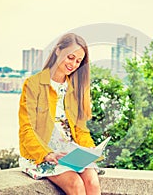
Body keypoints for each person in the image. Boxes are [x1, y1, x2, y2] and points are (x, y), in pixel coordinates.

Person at [18, 33, 101, 195]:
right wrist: (47, 153)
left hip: (71, 153)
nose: (74, 64)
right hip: (42, 154)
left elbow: (80, 129)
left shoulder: (75, 88)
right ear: (58, 51)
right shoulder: (33, 84)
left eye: (78, 61)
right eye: (70, 57)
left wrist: (90, 148)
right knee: (75, 184)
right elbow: (26, 129)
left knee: (92, 181)